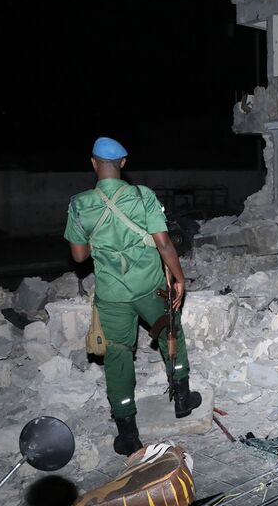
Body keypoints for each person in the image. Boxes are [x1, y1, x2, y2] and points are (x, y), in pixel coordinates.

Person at [64, 137, 201, 455]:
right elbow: (164, 244)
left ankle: (128, 434)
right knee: (171, 331)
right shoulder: (143, 196)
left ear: (93, 163)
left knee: (118, 355)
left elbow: (80, 256)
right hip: (151, 287)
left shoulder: (79, 204)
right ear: (123, 163)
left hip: (112, 295)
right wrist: (179, 279)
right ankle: (182, 398)